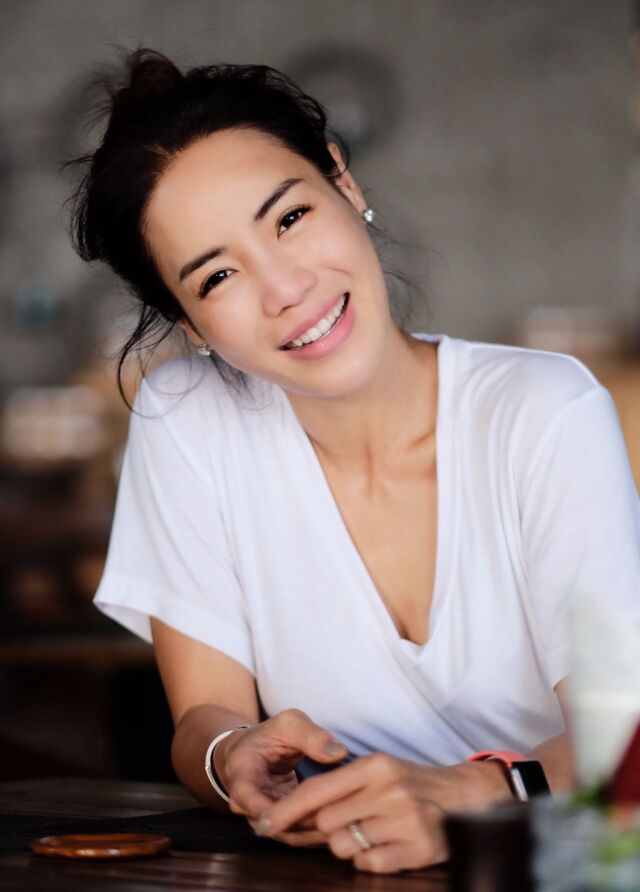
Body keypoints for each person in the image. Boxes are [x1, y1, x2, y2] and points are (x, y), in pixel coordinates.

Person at [69, 48, 640, 873]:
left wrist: (470, 796)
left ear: (344, 182)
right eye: (218, 275)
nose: (285, 289)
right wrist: (233, 758)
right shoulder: (187, 420)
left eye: (289, 218)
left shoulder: (544, 411)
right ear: (190, 323)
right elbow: (204, 718)